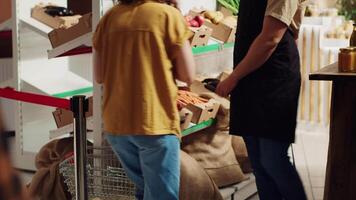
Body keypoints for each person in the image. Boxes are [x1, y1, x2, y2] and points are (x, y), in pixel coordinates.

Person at [92, 0, 195, 199]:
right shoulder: (168, 15)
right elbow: (188, 74)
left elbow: (99, 75)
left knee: (143, 190)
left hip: (117, 125)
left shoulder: (109, 18)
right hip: (154, 122)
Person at [216, 0, 308, 200]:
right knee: (258, 163)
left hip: (275, 75)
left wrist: (234, 77)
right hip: (250, 72)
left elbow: (270, 38)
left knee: (273, 159)